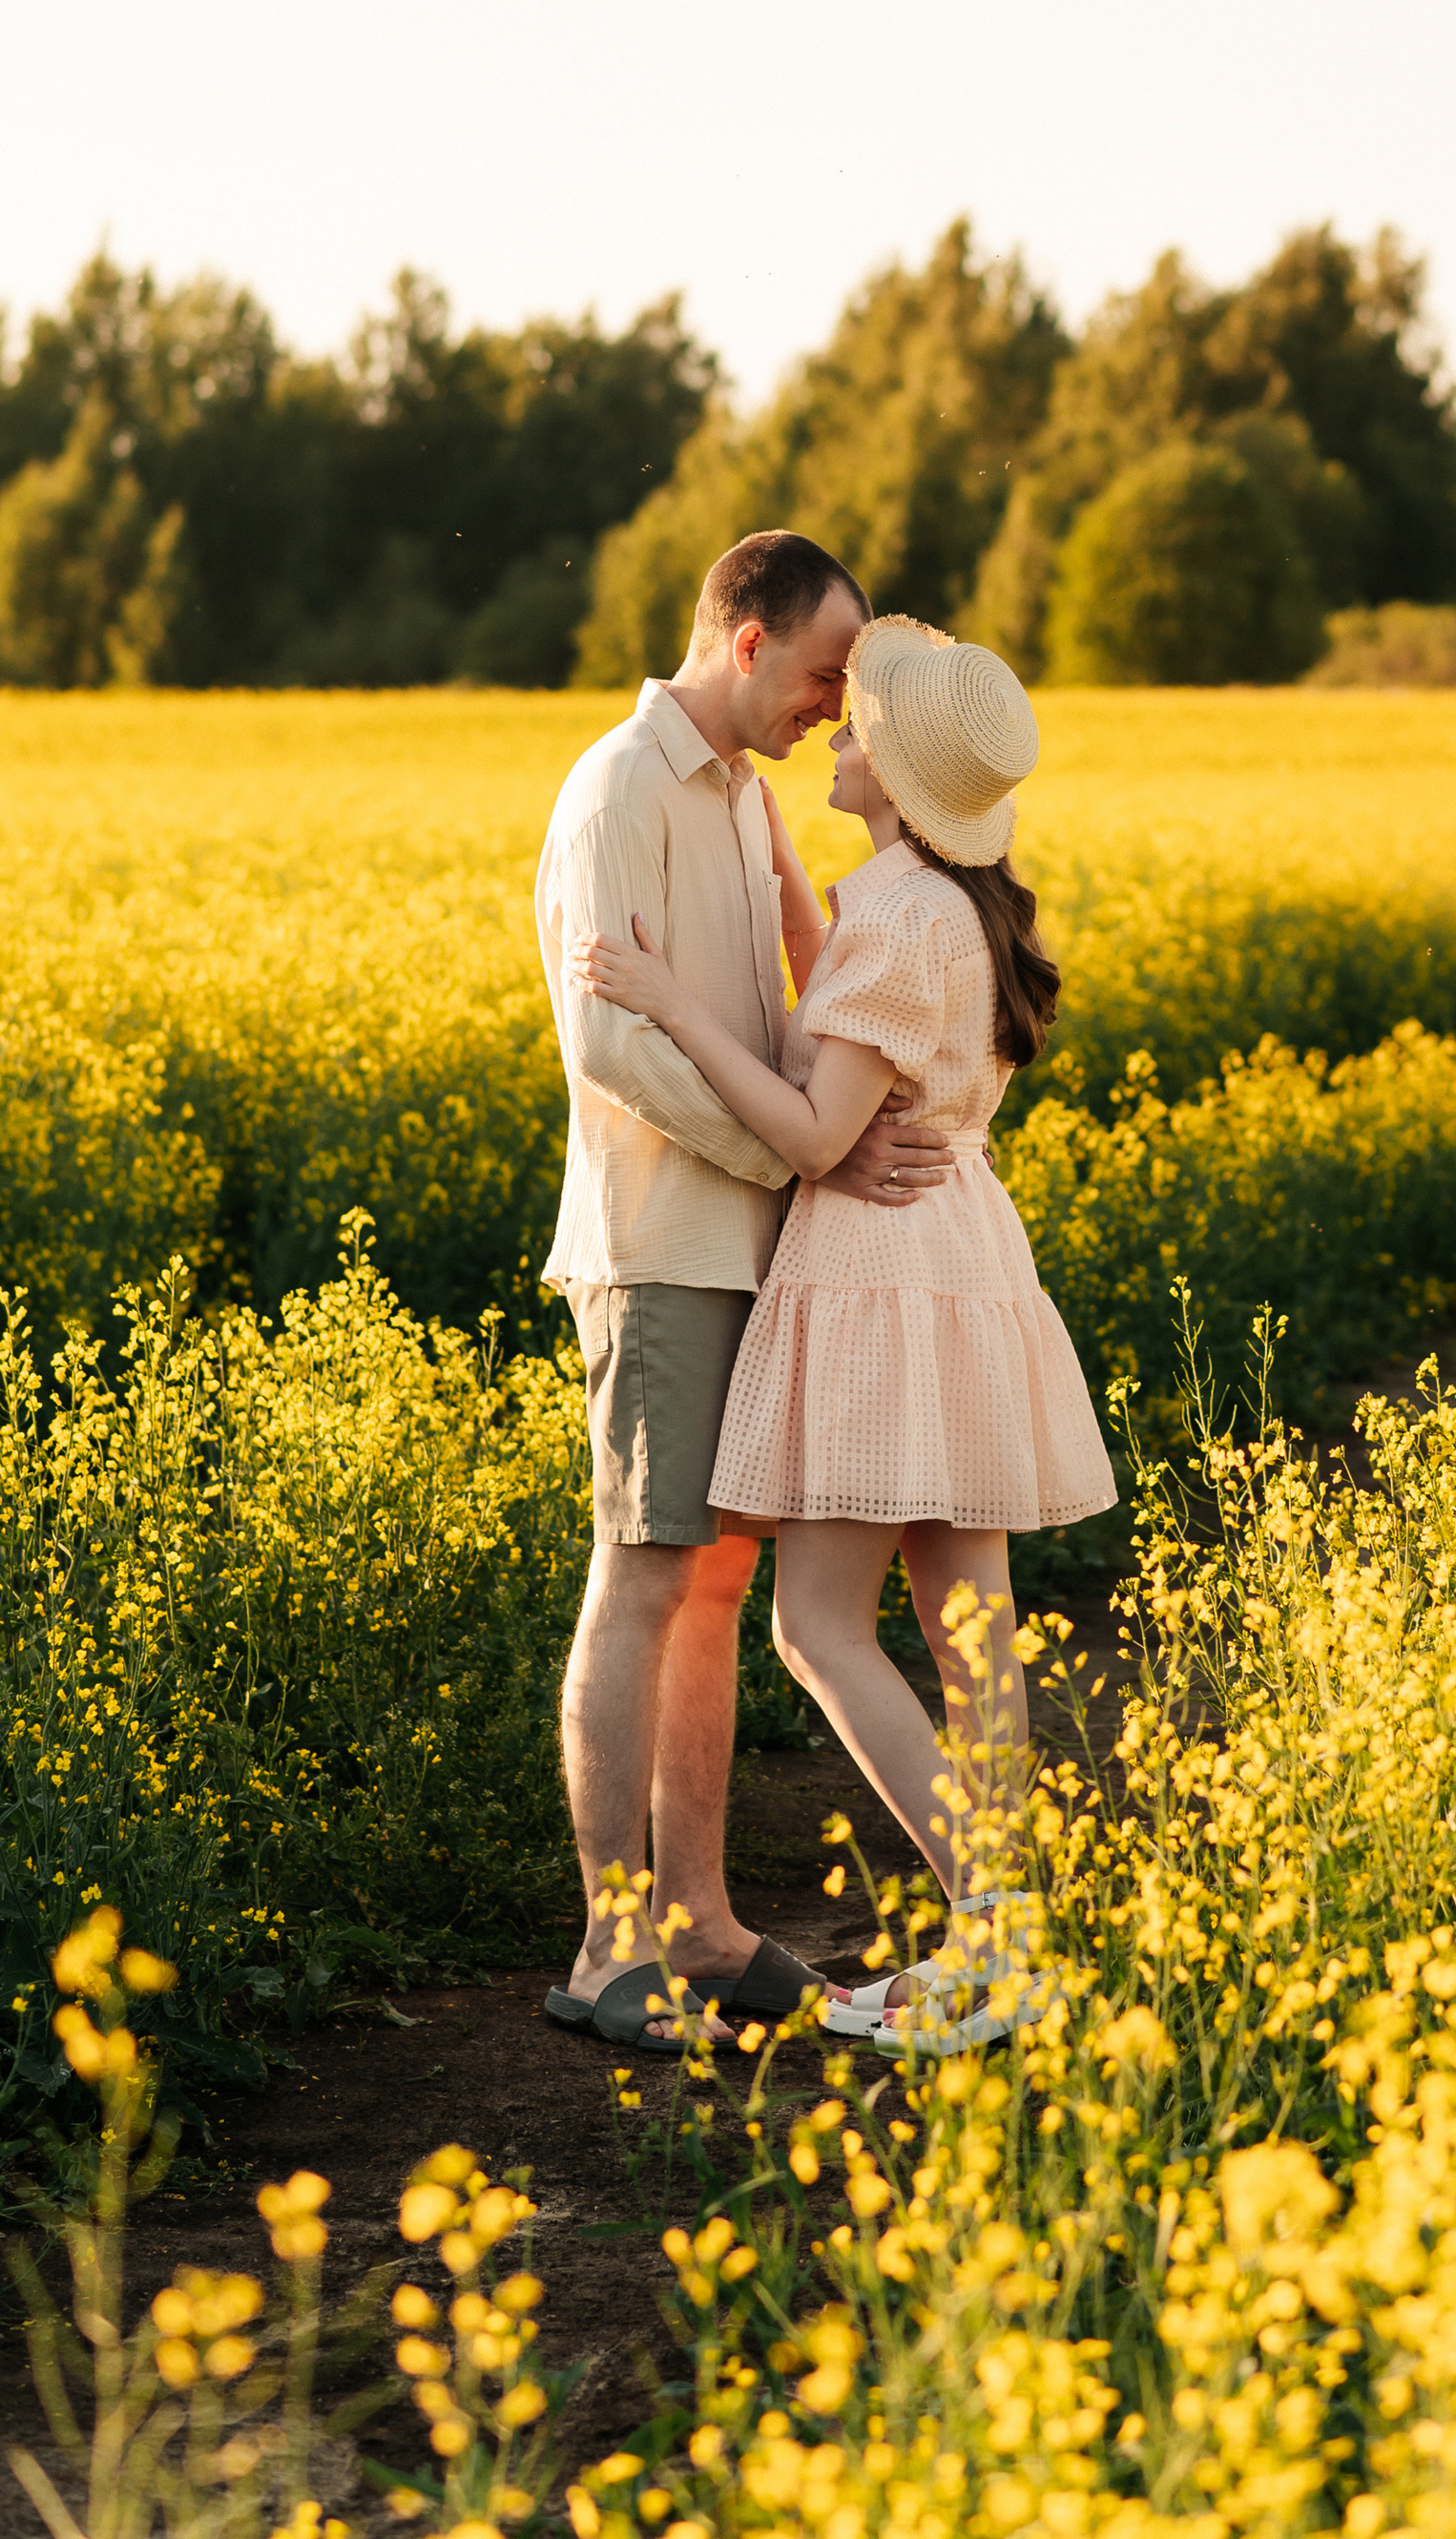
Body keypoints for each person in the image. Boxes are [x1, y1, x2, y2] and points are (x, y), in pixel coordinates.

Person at [572, 614, 1117, 2055]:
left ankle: (994, 1937)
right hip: (965, 1262)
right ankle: (1008, 1950)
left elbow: (821, 1128)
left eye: (849, 707)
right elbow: (855, 1015)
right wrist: (789, 895)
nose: (829, 715)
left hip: (878, 1269)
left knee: (818, 1627)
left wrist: (672, 995)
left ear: (882, 759)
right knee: (970, 1630)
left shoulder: (900, 914)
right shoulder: (951, 901)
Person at [536, 531, 961, 2052]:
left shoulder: (739, 800)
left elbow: (781, 999)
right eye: (825, 672)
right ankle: (607, 1949)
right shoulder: (618, 790)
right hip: (660, 1243)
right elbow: (613, 1048)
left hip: (753, 1243)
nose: (834, 702)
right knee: (644, 1573)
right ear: (743, 641)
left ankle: (702, 1926)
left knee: (714, 1580)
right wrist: (807, 1162)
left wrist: (816, 1155)